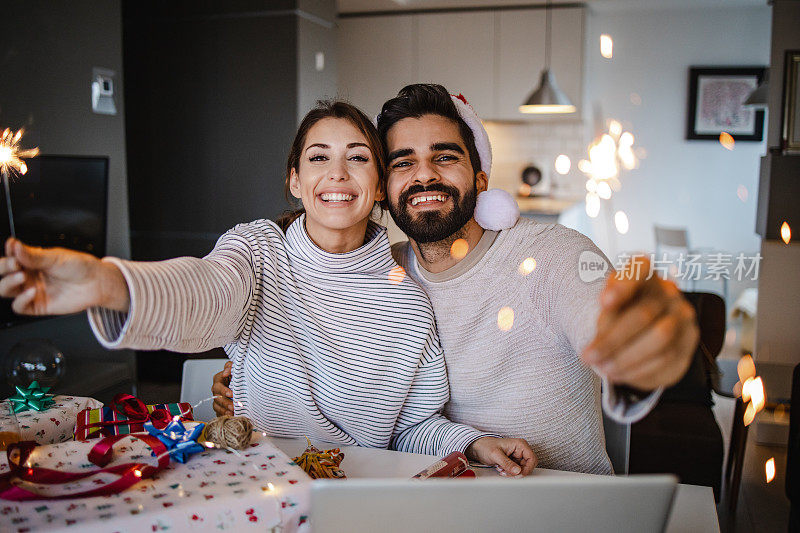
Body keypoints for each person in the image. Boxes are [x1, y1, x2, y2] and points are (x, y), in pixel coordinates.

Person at [0, 100, 536, 476]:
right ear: (295, 180)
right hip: (255, 479)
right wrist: (109, 281)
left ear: (378, 189)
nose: (337, 174)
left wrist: (474, 444)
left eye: (357, 157)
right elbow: (207, 293)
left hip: (359, 496)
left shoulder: (406, 298)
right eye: (318, 157)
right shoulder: (258, 251)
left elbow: (413, 426)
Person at [211, 85, 700, 475]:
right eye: (403, 162)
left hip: (559, 504)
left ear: (481, 176)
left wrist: (636, 344)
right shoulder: (386, 274)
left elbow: (603, 319)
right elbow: (359, 383)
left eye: (445, 156)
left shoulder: (553, 253)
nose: (425, 176)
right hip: (445, 498)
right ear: (385, 187)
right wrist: (255, 380)